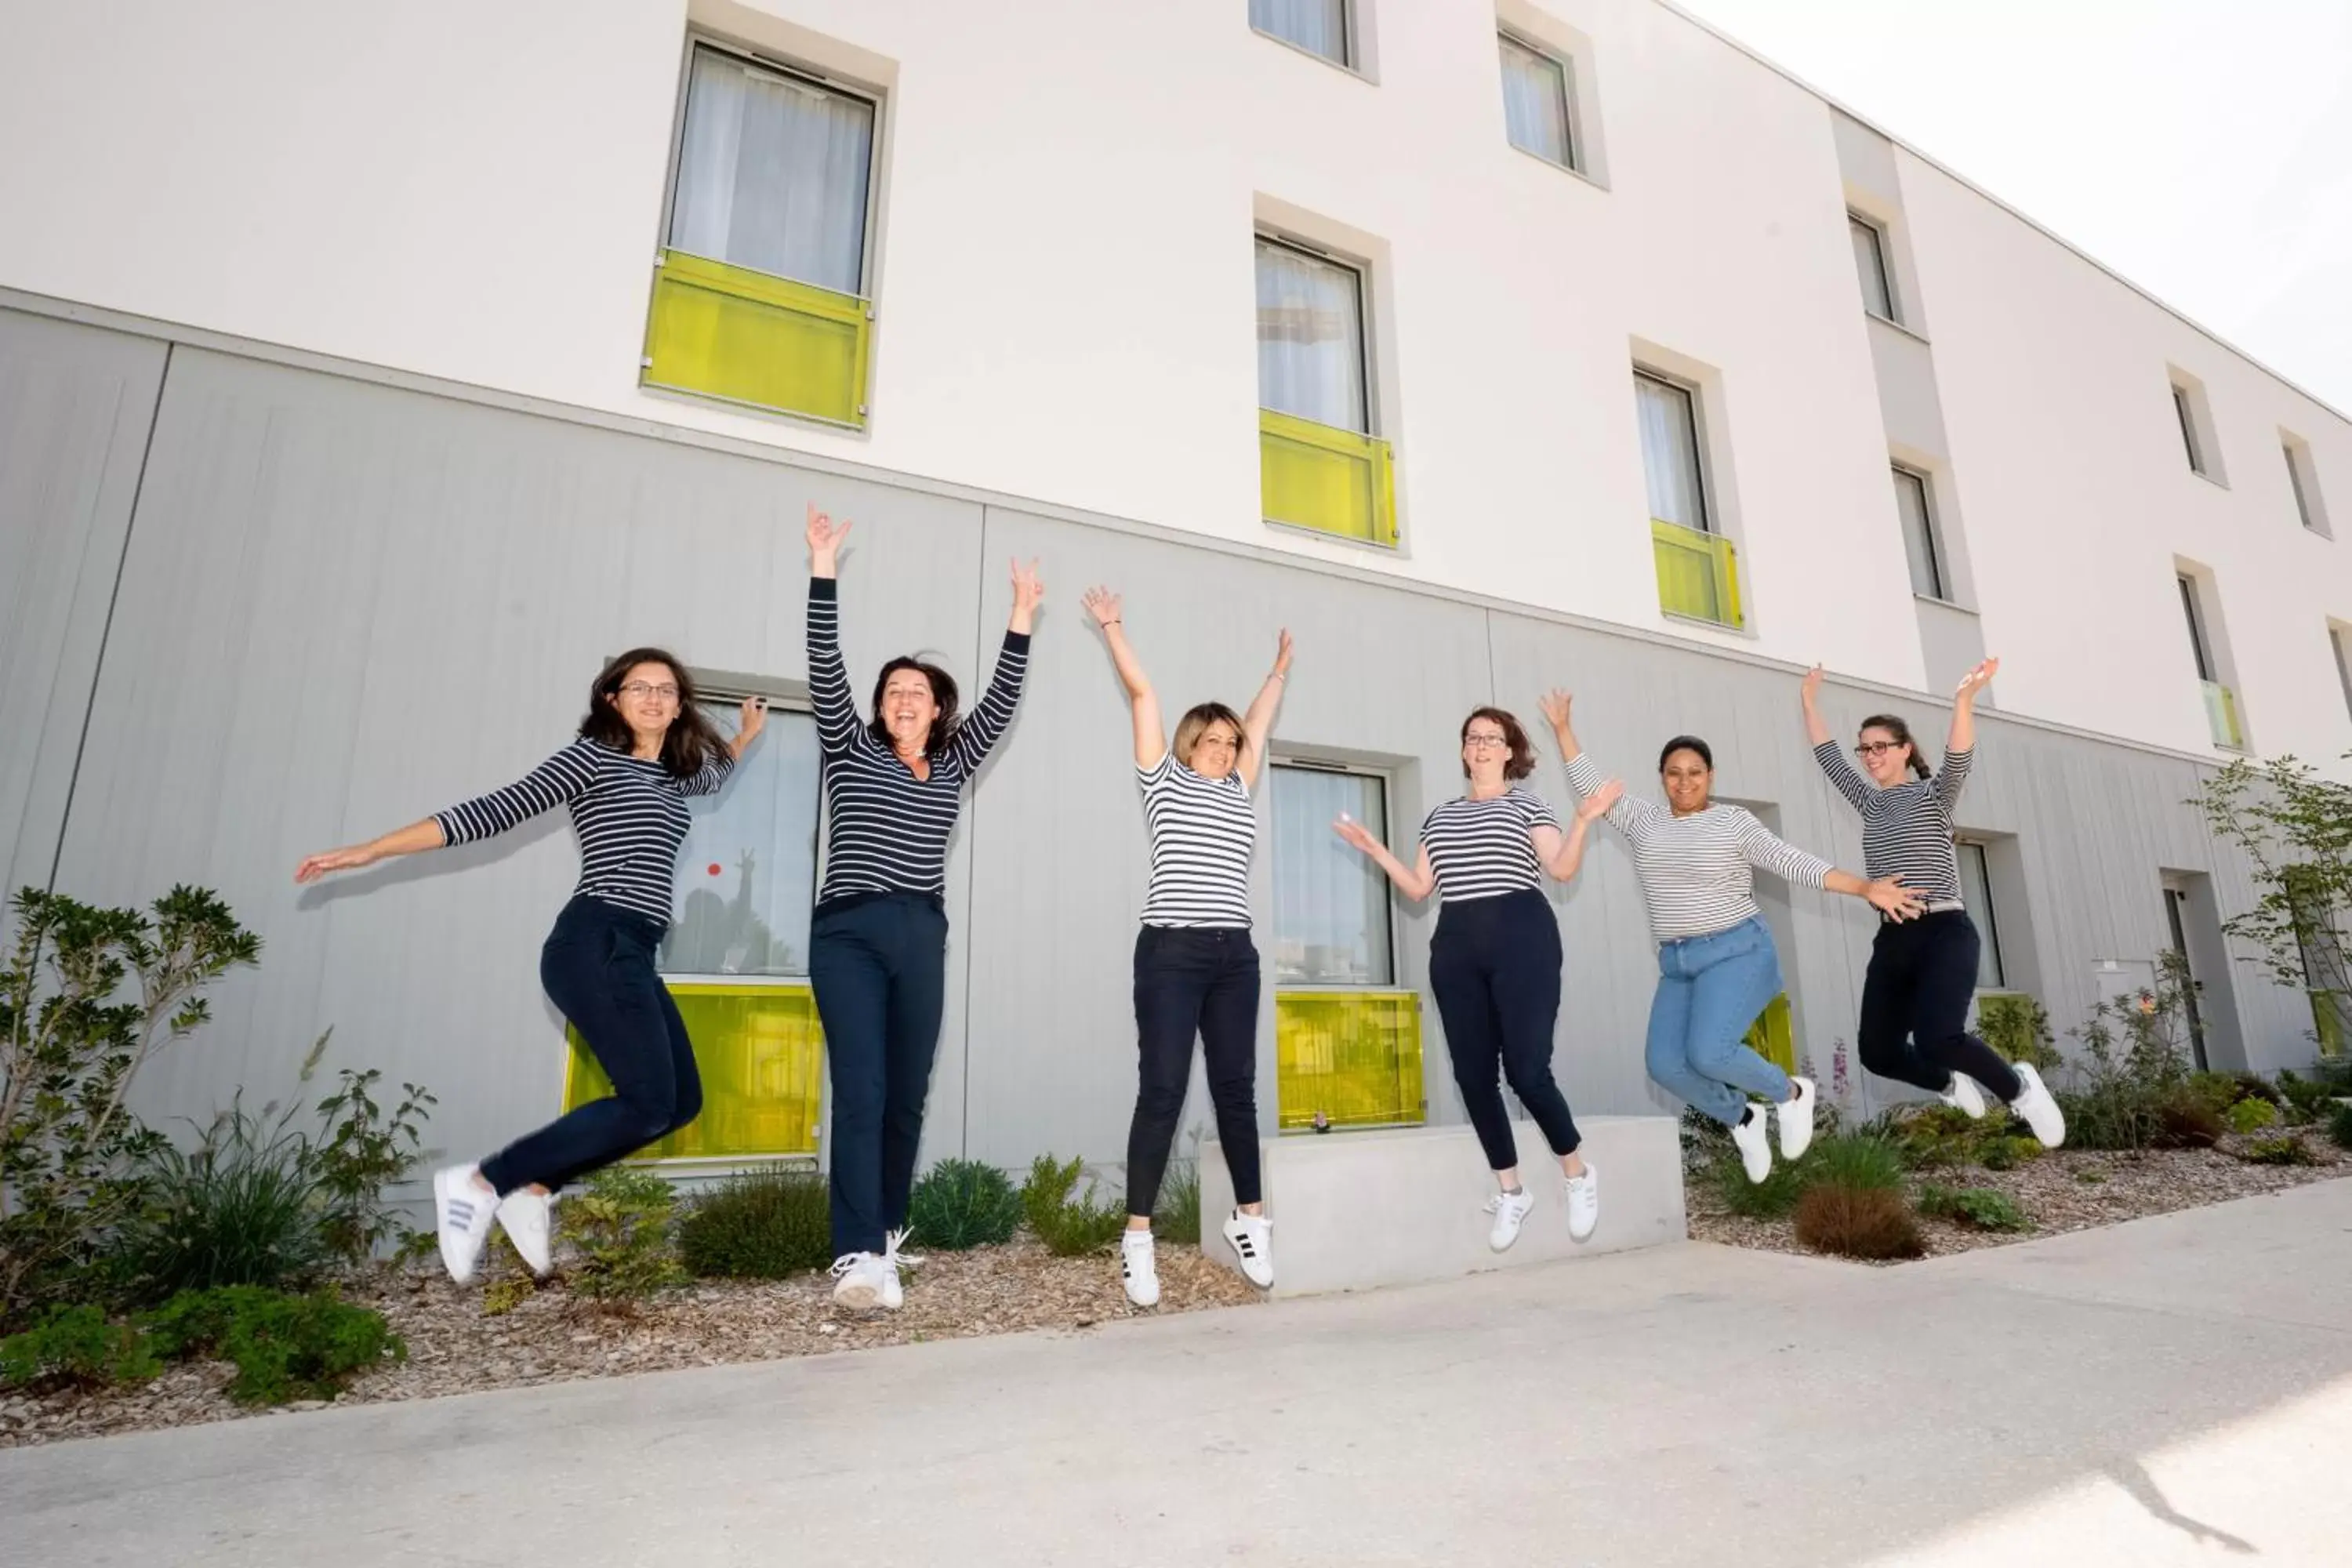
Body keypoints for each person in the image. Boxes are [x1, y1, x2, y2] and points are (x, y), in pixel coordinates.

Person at [295, 652, 765, 1285]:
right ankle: (483, 1181)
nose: (653, 699)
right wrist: (372, 849)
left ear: (679, 705)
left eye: (666, 690)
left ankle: (537, 1186)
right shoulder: (589, 759)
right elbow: (494, 811)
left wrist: (742, 738)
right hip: (596, 939)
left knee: (679, 1103)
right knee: (647, 1101)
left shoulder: (674, 780)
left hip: (634, 950)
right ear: (611, 699)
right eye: (638, 688)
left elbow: (713, 778)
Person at [805, 503, 1042, 1311]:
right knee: (862, 1089)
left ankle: (887, 1241)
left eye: (919, 691)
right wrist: (824, 566)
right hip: (849, 930)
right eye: (893, 690)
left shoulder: (951, 763)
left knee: (907, 1092)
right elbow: (823, 663)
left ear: (938, 708)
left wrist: (1019, 618)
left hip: (922, 931)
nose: (904, 698)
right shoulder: (849, 743)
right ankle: (854, 1252)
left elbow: (1003, 704)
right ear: (880, 705)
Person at [1544, 691, 1922, 1183]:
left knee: (1709, 1052)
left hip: (1736, 949)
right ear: (1662, 777)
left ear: (1710, 777)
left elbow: (1793, 863)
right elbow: (1590, 785)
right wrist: (1563, 729)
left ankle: (1791, 1093)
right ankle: (1741, 1117)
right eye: (1674, 773)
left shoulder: (1732, 822)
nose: (1684, 782)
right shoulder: (1643, 821)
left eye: (1695, 772)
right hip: (1678, 963)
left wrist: (1865, 887)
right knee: (1664, 1065)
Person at [1332, 708, 1615, 1251]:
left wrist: (1581, 821)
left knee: (1528, 1072)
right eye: (1473, 738)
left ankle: (1577, 1173)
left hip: (1522, 936)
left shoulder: (1528, 803)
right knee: (1472, 1076)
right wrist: (1375, 851)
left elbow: (1560, 869)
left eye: (1493, 738)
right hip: (1457, 944)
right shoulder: (1439, 818)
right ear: (1464, 751)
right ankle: (1511, 1189)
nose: (1481, 746)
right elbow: (1419, 888)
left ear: (1510, 751)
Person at [1080, 586, 1290, 1306]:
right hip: (1170, 953)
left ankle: (1251, 1219)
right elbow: (1143, 695)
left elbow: (1259, 720)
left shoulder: (1240, 789)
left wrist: (1278, 672)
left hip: (1235, 956)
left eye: (1233, 744)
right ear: (1189, 745)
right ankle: (1137, 1237)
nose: (1228, 749)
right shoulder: (1163, 782)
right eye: (1214, 740)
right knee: (1163, 1091)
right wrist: (1113, 628)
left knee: (1236, 1089)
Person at [1802, 659, 2066, 1145]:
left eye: (1880, 746)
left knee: (1938, 1037)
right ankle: (1946, 1082)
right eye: (1864, 748)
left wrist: (1963, 701)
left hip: (1944, 931)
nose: (1869, 755)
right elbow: (1826, 755)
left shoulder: (1933, 796)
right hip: (1894, 939)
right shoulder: (1867, 801)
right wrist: (1808, 701)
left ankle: (2021, 1091)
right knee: (1877, 1053)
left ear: (1905, 750)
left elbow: (1960, 755)